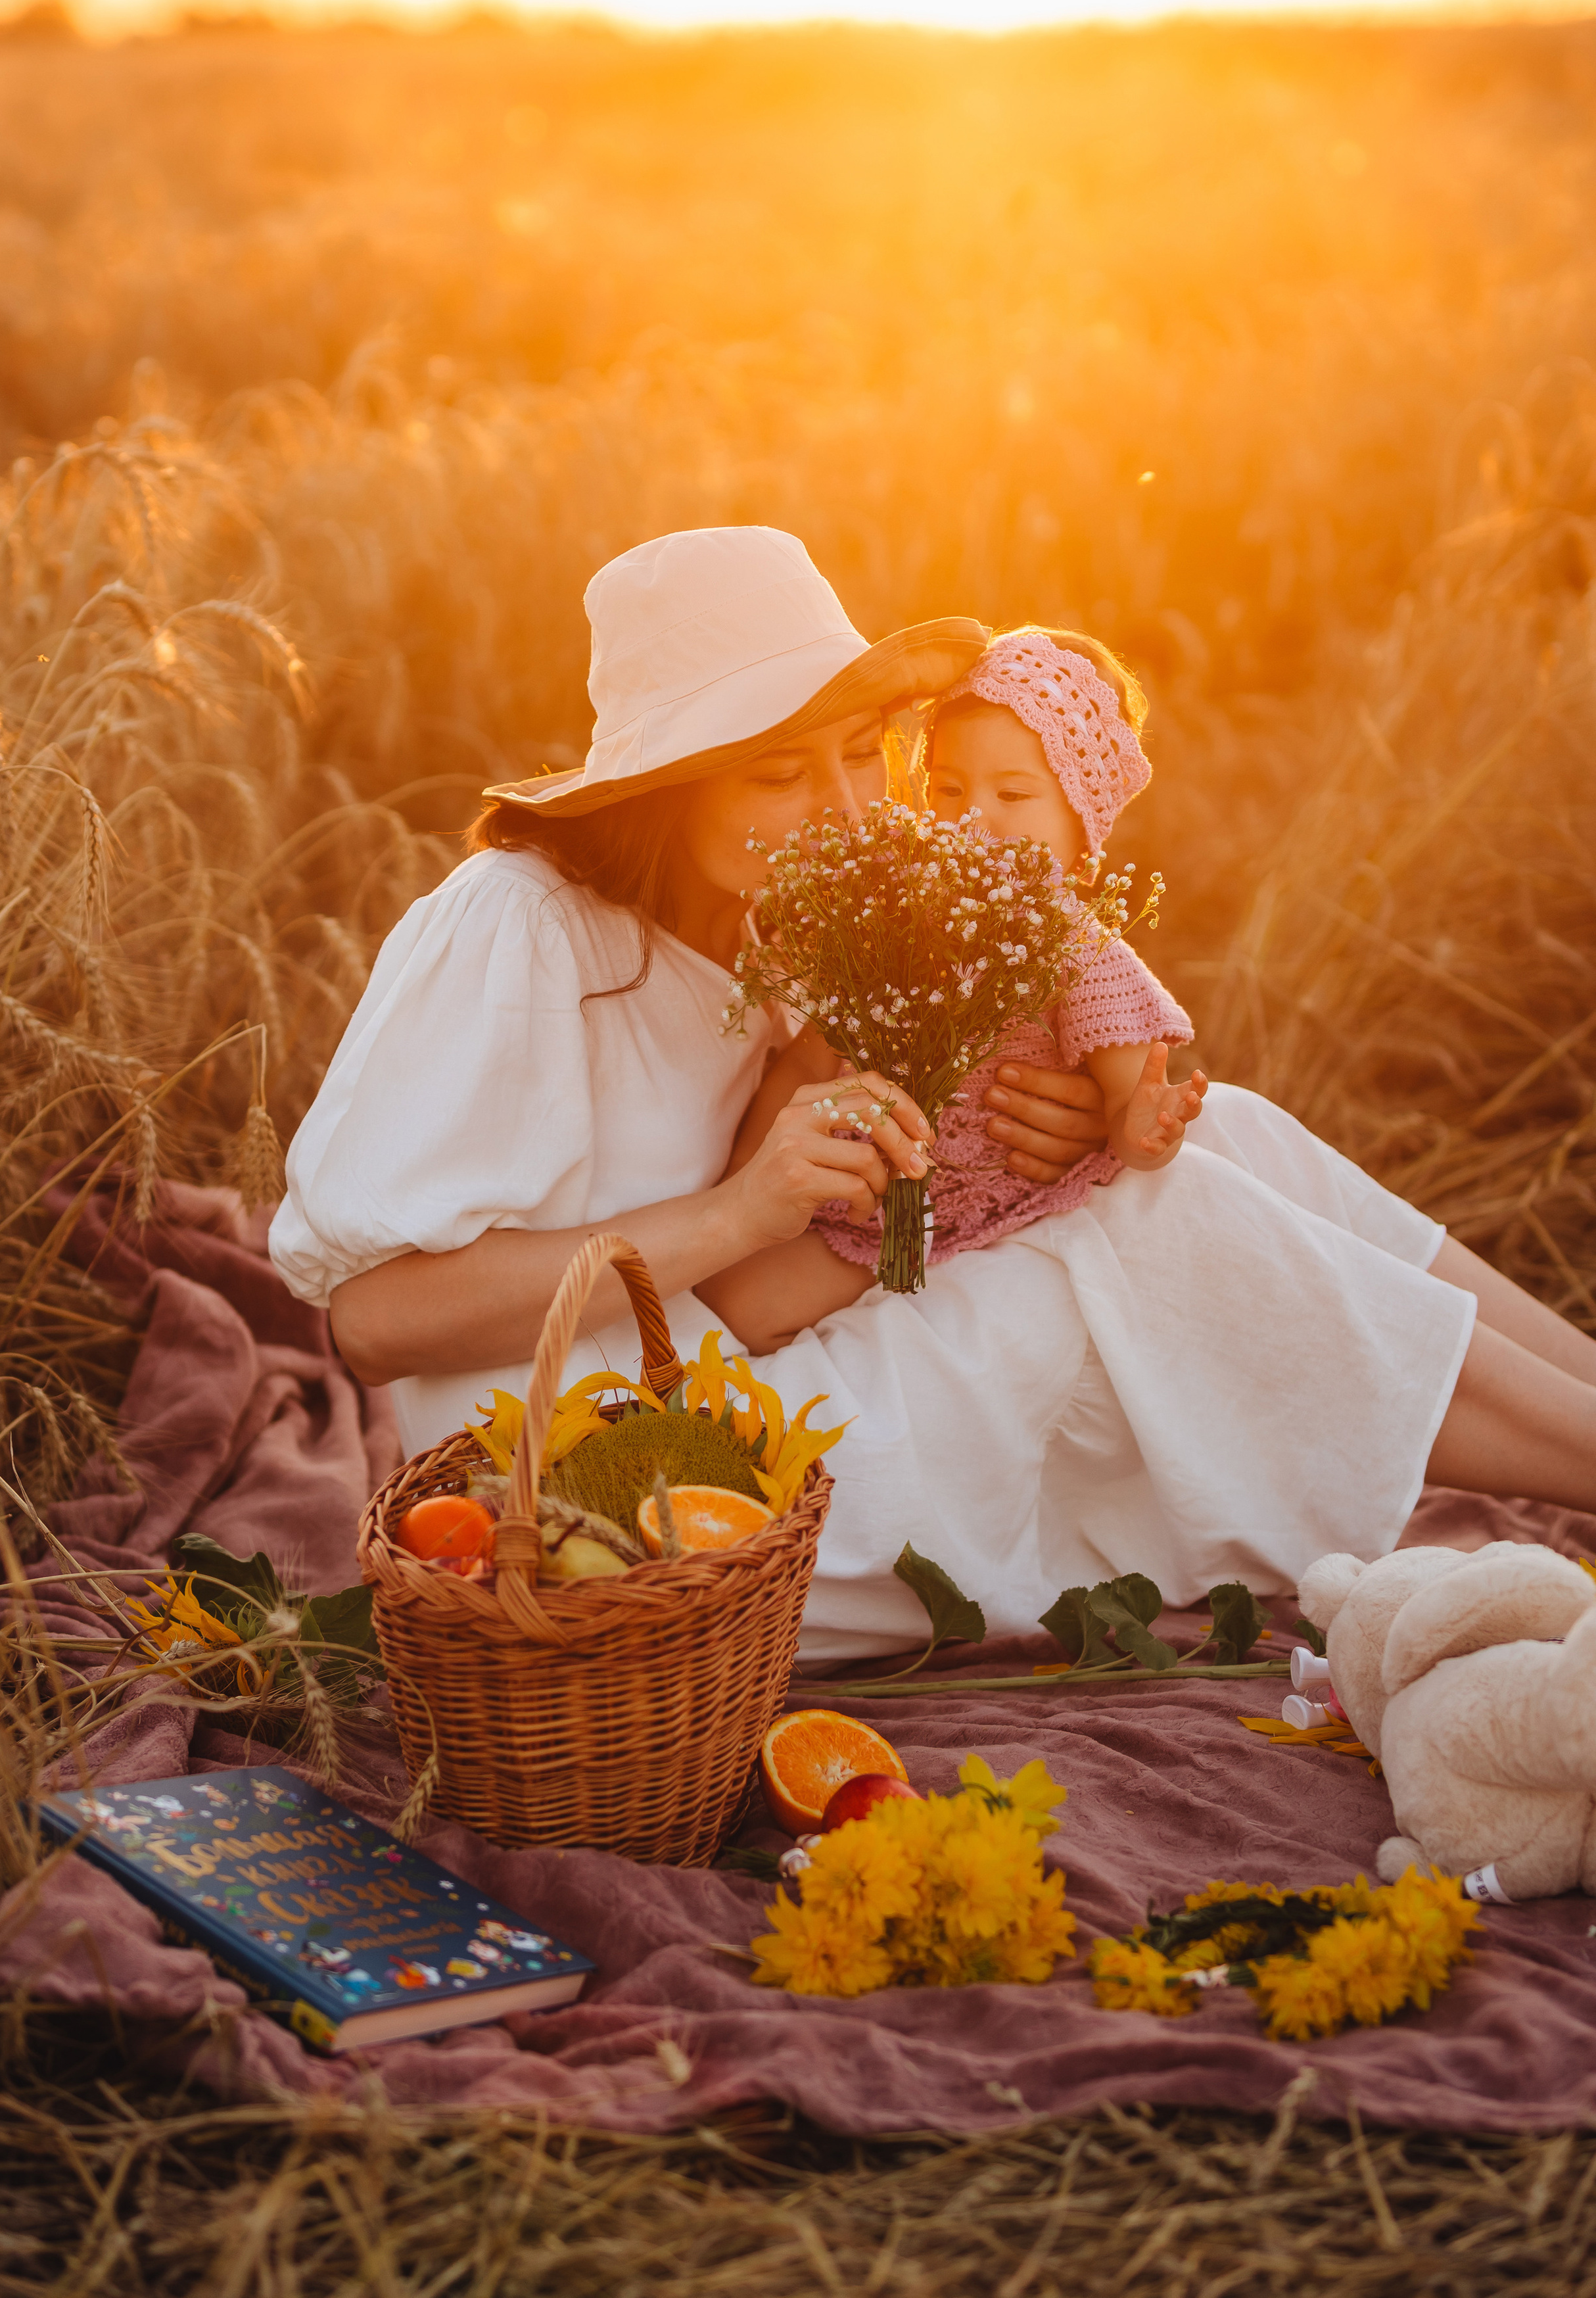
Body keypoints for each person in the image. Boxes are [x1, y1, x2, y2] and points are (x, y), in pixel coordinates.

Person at [271, 525, 1596, 1662]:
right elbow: (379, 1322)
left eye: (859, 754)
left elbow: (907, 1167)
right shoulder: (521, 928)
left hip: (766, 1365)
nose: (847, 806)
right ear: (667, 790)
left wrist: (1058, 1137)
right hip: (630, 1500)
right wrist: (738, 1212)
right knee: (1160, 1228)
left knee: (1221, 1134)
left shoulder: (788, 922)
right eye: (781, 772)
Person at [736, 625, 1208, 1338]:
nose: (974, 817)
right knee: (741, 1307)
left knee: (924, 1324)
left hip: (985, 1200)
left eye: (1013, 795)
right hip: (865, 1201)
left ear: (1082, 836)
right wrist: (743, 1177)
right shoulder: (894, 909)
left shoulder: (1071, 947)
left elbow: (1128, 1088)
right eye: (948, 788)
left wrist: (1145, 1129)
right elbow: (810, 1056)